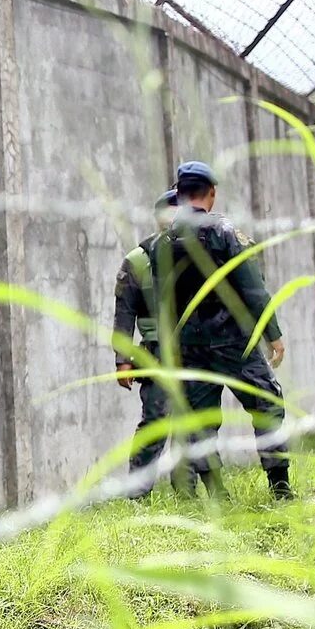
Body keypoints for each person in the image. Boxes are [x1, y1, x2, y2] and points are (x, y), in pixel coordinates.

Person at [144, 161, 292, 500]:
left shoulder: (161, 242)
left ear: (179, 196)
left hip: (189, 347)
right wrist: (273, 333)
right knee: (266, 406)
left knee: (200, 422)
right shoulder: (225, 232)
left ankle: (218, 494)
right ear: (211, 193)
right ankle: (280, 489)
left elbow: (161, 304)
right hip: (235, 341)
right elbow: (252, 287)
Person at [113, 189, 180, 494]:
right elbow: (124, 314)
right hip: (156, 355)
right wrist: (122, 360)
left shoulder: (202, 255)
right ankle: (137, 494)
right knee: (155, 422)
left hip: (196, 352)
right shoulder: (138, 261)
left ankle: (188, 494)